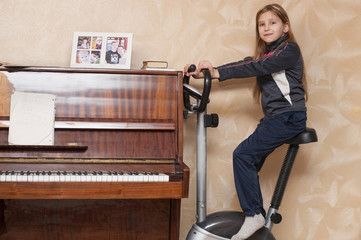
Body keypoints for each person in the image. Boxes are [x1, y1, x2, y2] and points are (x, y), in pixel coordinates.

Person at [184, 4, 307, 240]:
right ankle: (255, 215)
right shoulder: (268, 55)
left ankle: (254, 215)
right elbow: (247, 63)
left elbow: (255, 66)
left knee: (242, 155)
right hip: (276, 118)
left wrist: (216, 72)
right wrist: (209, 71)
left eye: (272, 22)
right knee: (247, 165)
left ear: (285, 27)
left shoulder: (289, 50)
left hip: (289, 117)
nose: (266, 27)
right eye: (262, 24)